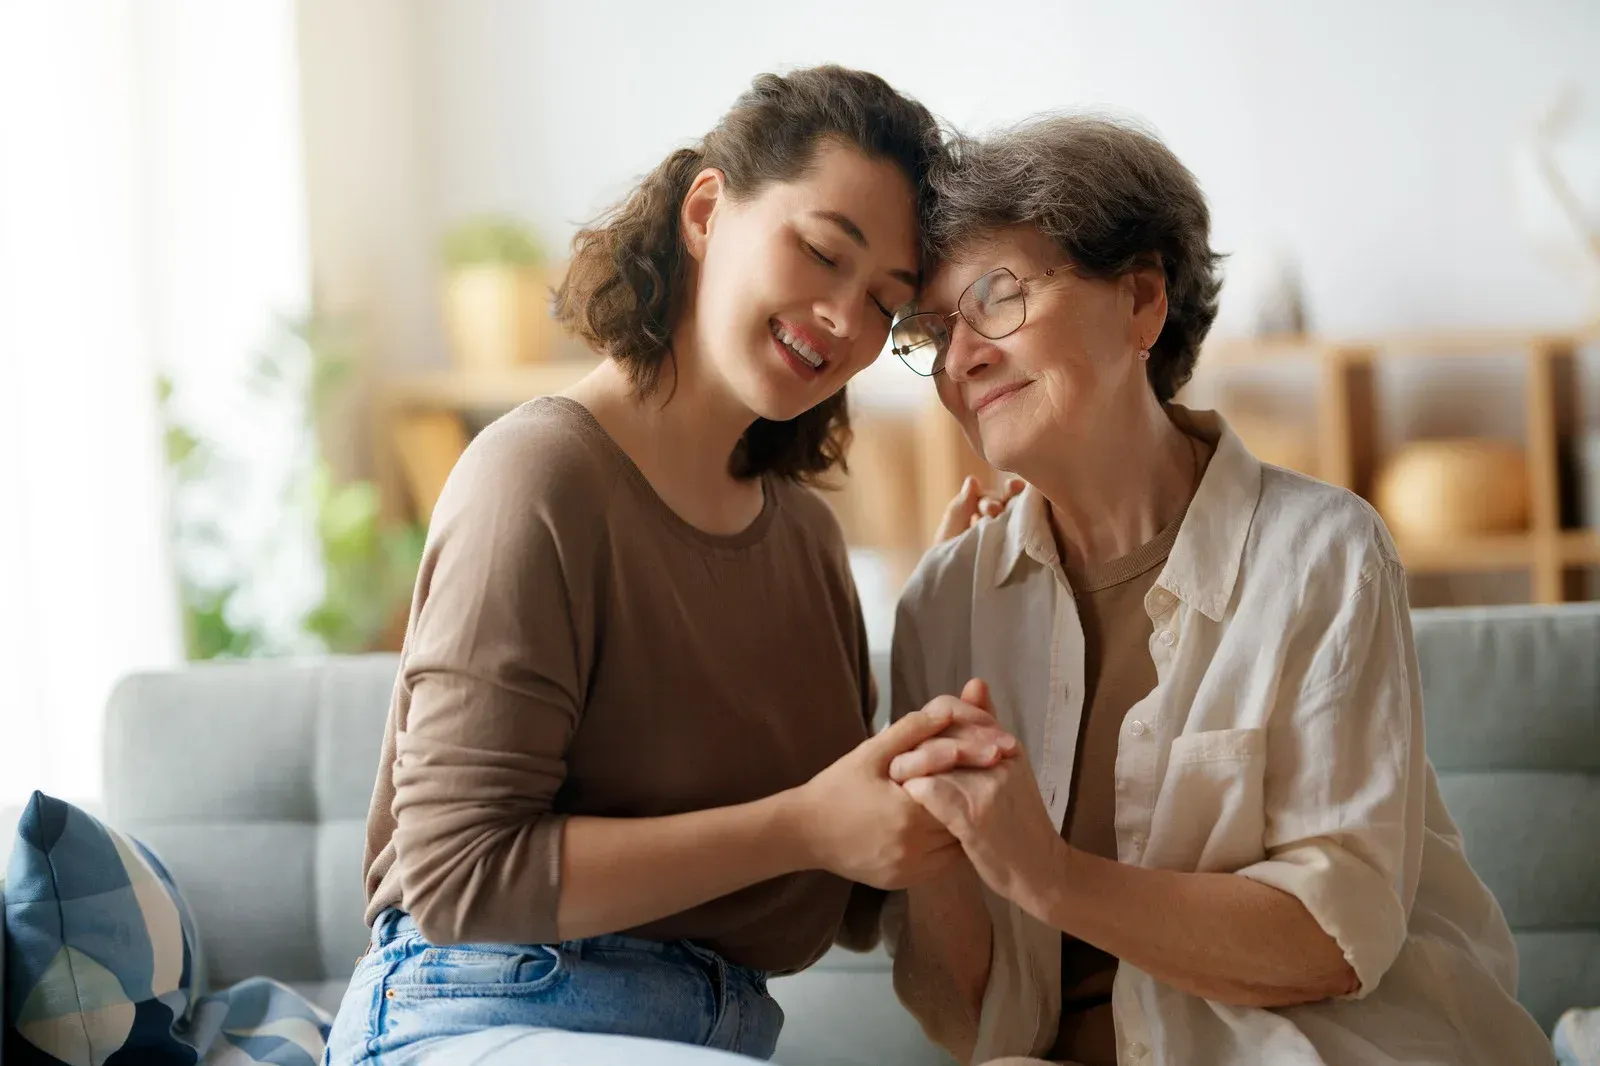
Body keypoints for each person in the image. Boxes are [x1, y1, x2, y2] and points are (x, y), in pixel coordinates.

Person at [321, 66, 1020, 1065]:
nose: (842, 318)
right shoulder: (539, 478)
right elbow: (458, 873)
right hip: (479, 1009)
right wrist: (799, 827)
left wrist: (948, 630)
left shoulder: (805, 540)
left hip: (707, 1033)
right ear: (706, 210)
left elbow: (850, 884)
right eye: (821, 252)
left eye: (885, 305)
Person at [882, 115, 1553, 1065]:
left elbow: (1333, 935)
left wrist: (1051, 875)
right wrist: (943, 846)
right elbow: (965, 1013)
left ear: (1143, 301)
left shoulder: (1324, 553)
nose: (960, 359)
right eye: (934, 332)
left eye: (996, 298)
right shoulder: (945, 607)